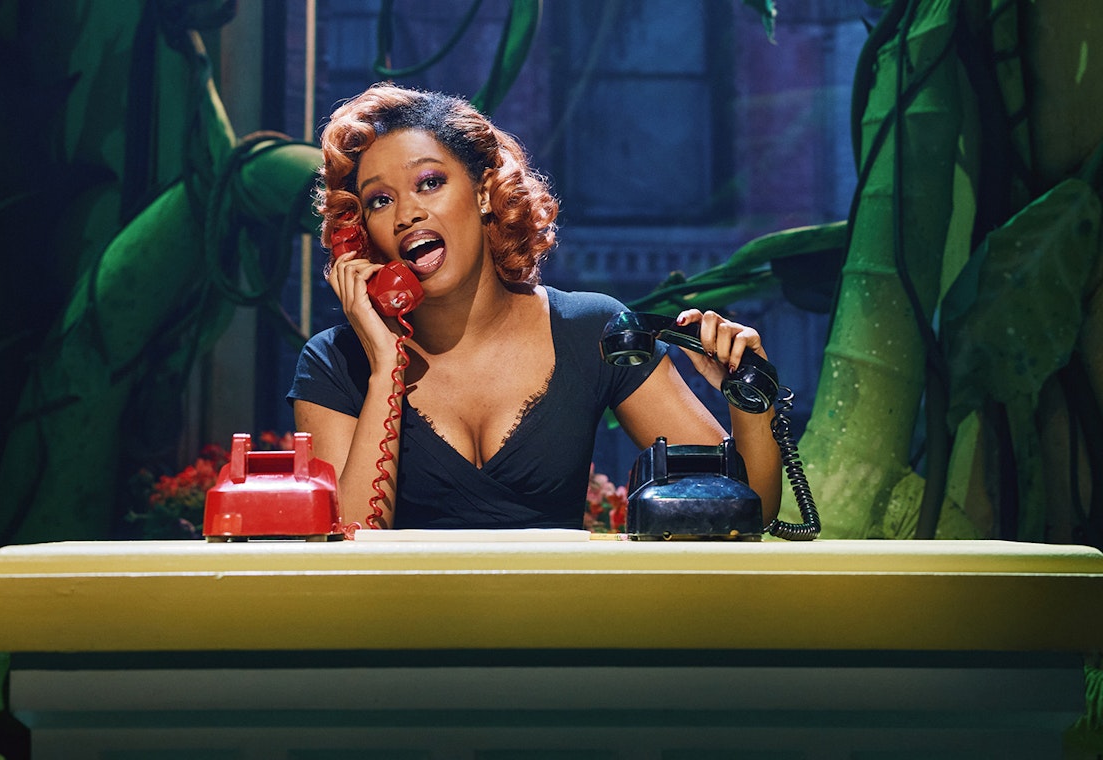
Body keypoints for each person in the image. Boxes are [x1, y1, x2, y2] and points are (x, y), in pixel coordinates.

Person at [288, 82, 781, 531]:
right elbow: (346, 548)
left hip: (559, 603)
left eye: (430, 182)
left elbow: (744, 512)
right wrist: (385, 369)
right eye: (379, 200)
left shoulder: (589, 329)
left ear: (484, 192)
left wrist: (749, 398)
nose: (406, 214)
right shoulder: (336, 363)